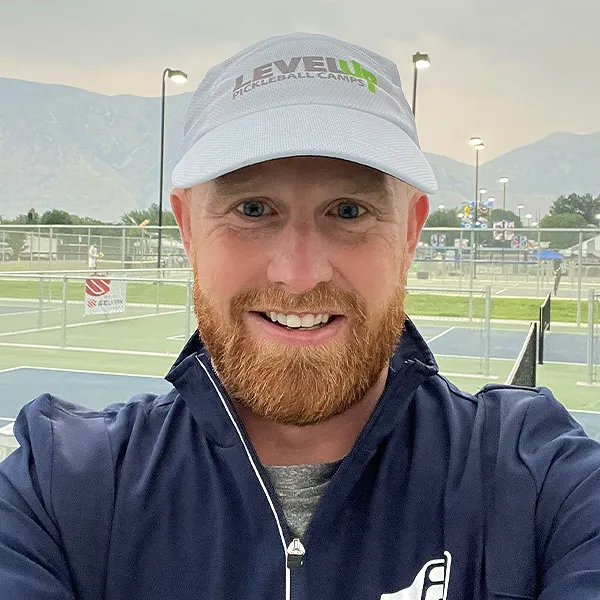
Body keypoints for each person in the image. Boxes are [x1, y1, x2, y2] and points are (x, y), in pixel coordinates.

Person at [1, 32, 599, 600]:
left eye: (349, 210)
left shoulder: (539, 479)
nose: (299, 273)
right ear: (186, 228)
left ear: (412, 230)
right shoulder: (61, 487)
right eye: (253, 208)